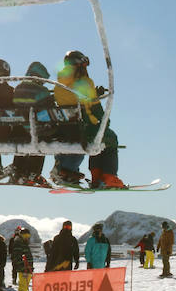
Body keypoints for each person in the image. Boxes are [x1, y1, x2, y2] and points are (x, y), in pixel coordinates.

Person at [52, 50, 126, 189]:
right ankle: (107, 177)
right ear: (79, 64)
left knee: (100, 135)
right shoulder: (84, 82)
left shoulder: (59, 83)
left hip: (66, 126)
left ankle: (97, 176)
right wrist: (104, 121)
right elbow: (94, 106)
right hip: (84, 126)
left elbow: (74, 97)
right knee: (109, 137)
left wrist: (94, 93)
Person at [8, 62, 54, 188]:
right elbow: (50, 109)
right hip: (35, 128)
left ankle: (18, 171)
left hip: (19, 128)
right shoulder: (42, 91)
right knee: (42, 140)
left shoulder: (18, 88)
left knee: (23, 140)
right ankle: (33, 173)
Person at [83, 223, 112, 291]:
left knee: (102, 282)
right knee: (94, 282)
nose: (98, 231)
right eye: (96, 229)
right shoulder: (91, 240)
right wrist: (89, 262)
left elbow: (108, 252)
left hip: (102, 265)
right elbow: (87, 252)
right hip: (93, 264)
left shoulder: (105, 240)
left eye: (99, 229)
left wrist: (108, 262)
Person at [9, 226, 35, 291]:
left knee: (24, 287)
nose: (27, 237)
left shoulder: (23, 242)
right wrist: (23, 266)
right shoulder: (19, 242)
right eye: (25, 235)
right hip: (24, 269)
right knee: (23, 287)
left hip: (27, 269)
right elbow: (17, 256)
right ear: (21, 235)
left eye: (28, 235)